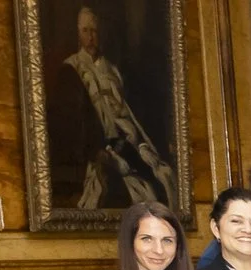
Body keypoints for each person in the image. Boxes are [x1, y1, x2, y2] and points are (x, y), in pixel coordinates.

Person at [53, 7, 171, 208]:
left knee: (163, 178)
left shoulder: (112, 70)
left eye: (95, 31)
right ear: (78, 34)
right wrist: (104, 154)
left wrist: (141, 145)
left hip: (124, 143)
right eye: (86, 31)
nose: (91, 37)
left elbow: (127, 114)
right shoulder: (71, 68)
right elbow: (74, 124)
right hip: (97, 148)